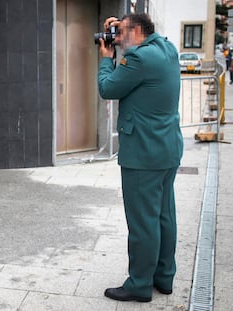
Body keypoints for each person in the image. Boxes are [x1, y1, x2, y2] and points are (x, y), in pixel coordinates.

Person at [97, 13, 183, 302]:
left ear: (136, 30)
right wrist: (117, 30)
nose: (117, 38)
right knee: (163, 216)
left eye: (121, 32)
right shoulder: (168, 50)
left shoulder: (138, 60)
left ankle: (139, 284)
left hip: (143, 155)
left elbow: (108, 88)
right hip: (167, 149)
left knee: (143, 222)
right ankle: (164, 277)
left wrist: (106, 58)